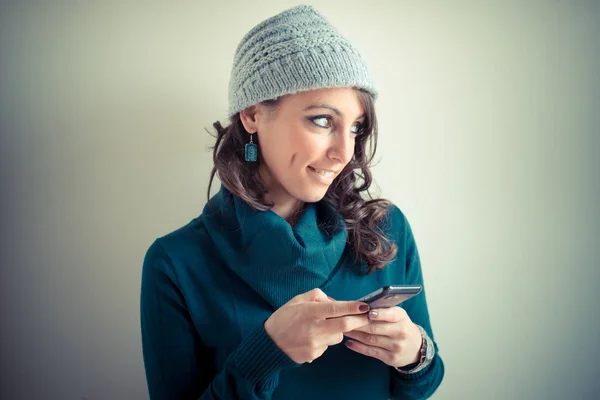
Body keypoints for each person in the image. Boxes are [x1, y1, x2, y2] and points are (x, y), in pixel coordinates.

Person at [140, 4, 445, 399]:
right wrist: (265, 353)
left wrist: (416, 355)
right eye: (322, 120)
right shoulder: (176, 263)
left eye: (356, 128)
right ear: (252, 114)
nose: (344, 152)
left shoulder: (386, 229)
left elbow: (424, 383)